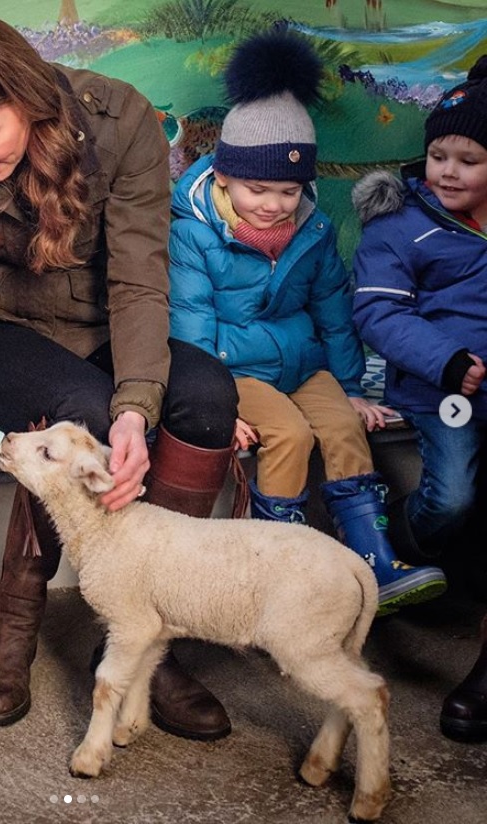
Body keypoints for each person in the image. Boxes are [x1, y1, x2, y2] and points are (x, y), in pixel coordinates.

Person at [0, 11, 240, 740]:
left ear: (24, 97)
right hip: (8, 332)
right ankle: (15, 622)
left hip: (109, 326)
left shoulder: (121, 121)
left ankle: (148, 632)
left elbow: (139, 283)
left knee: (209, 396)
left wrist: (136, 410)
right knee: (76, 406)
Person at [168, 30, 447, 617]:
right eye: (257, 188)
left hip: (302, 364)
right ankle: (274, 567)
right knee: (291, 436)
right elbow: (190, 324)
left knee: (345, 428)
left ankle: (372, 556)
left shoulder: (313, 231)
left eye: (289, 191)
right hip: (232, 371)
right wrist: (221, 403)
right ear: (223, 177)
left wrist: (350, 388)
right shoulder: (194, 232)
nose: (272, 204)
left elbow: (334, 313)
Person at [352, 56, 487, 741]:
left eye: (469, 159)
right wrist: (448, 361)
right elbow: (377, 312)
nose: (448, 170)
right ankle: (400, 537)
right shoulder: (403, 224)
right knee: (452, 498)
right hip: (442, 388)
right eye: (438, 154)